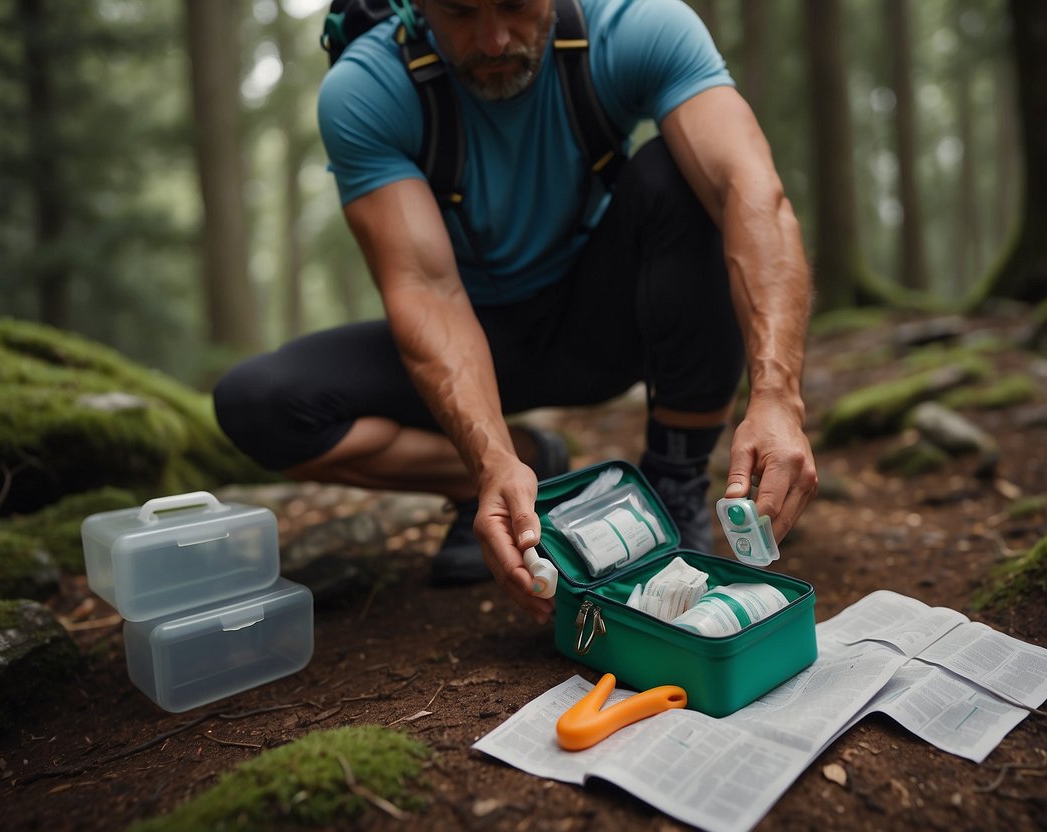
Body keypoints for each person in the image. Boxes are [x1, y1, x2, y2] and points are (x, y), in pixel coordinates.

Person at [213, 0, 817, 624]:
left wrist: (777, 397)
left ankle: (675, 481)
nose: (495, 39)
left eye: (515, 4)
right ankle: (528, 470)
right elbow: (428, 290)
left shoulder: (638, 28)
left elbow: (750, 196)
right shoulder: (369, 88)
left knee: (685, 176)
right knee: (259, 403)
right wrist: (492, 462)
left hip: (602, 326)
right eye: (461, 12)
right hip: (472, 342)